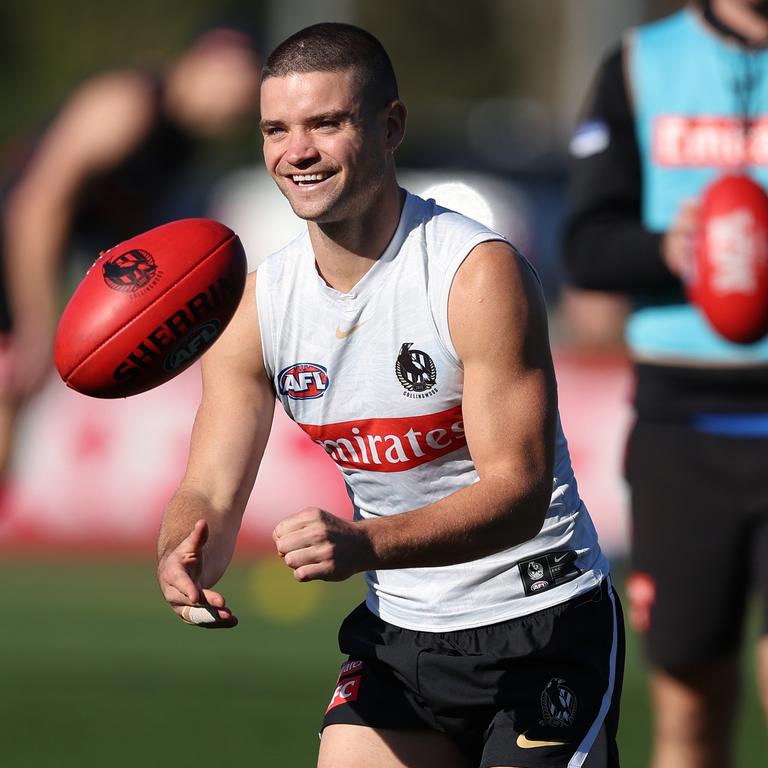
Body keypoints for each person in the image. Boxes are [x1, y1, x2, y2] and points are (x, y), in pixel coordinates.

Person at [157, 22, 624, 768]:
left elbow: (520, 492)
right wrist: (182, 545)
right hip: (400, 635)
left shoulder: (475, 274)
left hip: (540, 622)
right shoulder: (257, 308)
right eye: (276, 129)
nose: (296, 151)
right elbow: (209, 485)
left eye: (326, 123)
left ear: (390, 126)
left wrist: (363, 544)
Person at [563, 1, 768, 766]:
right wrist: (673, 249)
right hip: (682, 428)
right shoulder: (642, 64)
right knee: (689, 702)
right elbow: (585, 243)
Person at [0, 26, 260, 486]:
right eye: (235, 84)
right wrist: (36, 323)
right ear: (206, 61)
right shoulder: (128, 106)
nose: (236, 107)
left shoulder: (180, 148)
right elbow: (35, 207)